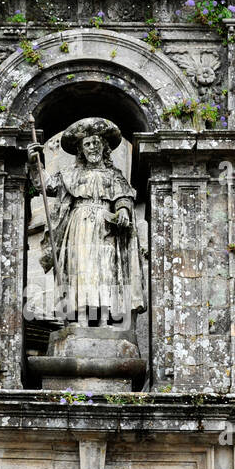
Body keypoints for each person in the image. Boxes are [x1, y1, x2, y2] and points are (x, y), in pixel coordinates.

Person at [27, 117, 144, 327]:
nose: (92, 147)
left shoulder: (114, 175)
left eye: (96, 143)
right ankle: (79, 318)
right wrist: (35, 164)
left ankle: (105, 320)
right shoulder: (71, 174)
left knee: (105, 271)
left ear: (104, 147)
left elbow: (123, 197)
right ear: (81, 150)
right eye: (87, 144)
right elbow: (46, 186)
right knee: (80, 270)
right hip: (78, 225)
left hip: (107, 227)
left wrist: (123, 210)